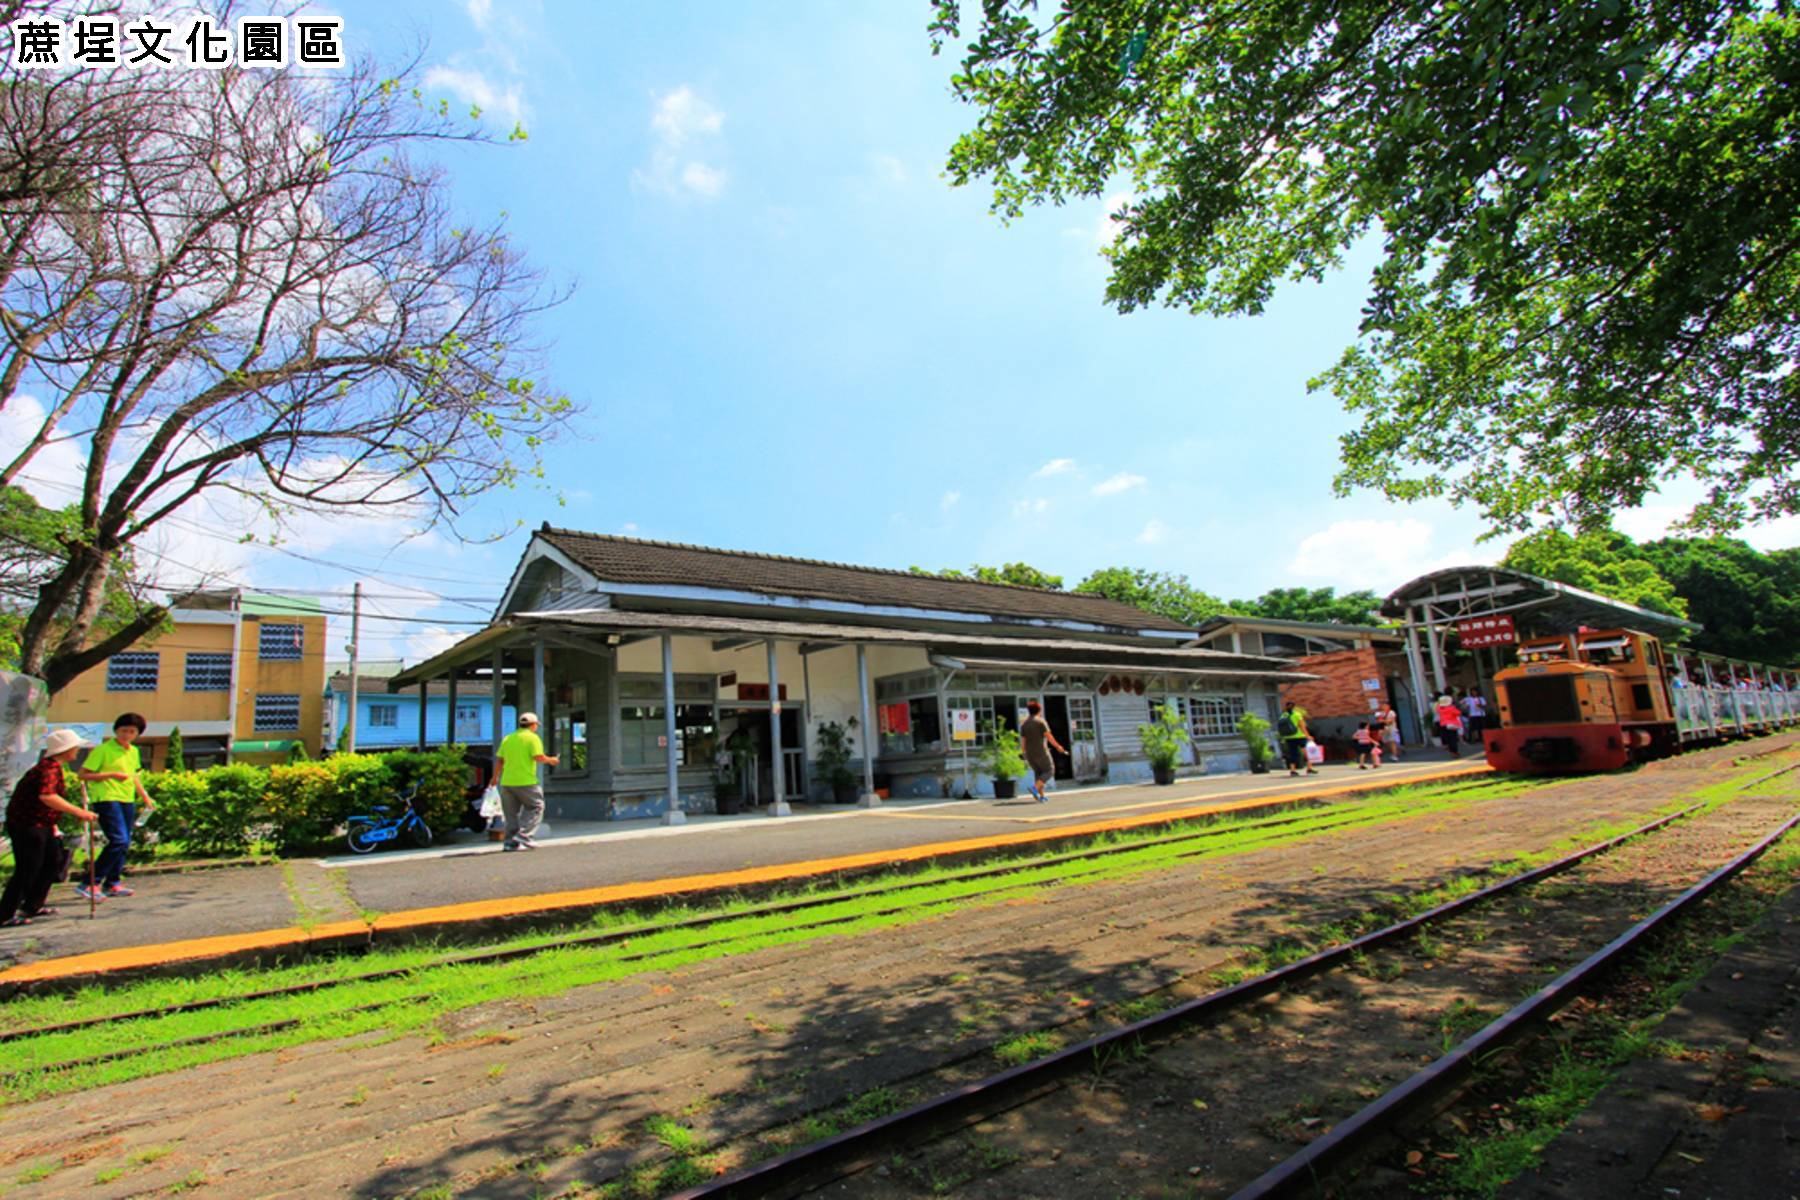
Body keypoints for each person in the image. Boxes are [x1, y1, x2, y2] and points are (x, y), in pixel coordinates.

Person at [2, 730, 98, 927]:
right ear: (66, 749)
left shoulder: (54, 767)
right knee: (28, 868)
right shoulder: (48, 769)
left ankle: (33, 905)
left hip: (42, 824)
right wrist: (80, 812)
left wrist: (53, 824)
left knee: (52, 862)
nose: (77, 751)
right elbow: (47, 797)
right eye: (75, 747)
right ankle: (5, 913)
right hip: (28, 825)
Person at [76, 712, 155, 900]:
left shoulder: (133, 751)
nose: (126, 735)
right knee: (118, 840)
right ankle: (90, 882)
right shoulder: (103, 750)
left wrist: (145, 796)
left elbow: (134, 776)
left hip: (127, 798)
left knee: (125, 842)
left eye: (131, 731)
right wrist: (110, 775)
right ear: (116, 730)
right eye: (123, 730)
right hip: (106, 797)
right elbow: (83, 775)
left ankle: (113, 882)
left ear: (137, 734)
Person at [496, 712, 558, 850]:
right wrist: (551, 760)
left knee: (511, 814)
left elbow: (500, 760)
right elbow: (538, 757)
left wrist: (494, 778)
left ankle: (509, 843)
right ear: (533, 725)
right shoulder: (532, 738)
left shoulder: (508, 738)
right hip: (526, 781)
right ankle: (524, 834)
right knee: (536, 806)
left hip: (507, 781)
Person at [1019, 699, 1066, 803]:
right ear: (1038, 711)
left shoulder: (1024, 724)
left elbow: (1023, 741)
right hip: (1041, 751)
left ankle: (1041, 796)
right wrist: (1058, 747)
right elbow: (1049, 737)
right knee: (1050, 770)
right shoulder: (1040, 721)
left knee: (1039, 773)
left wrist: (1024, 753)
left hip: (1030, 754)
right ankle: (1034, 788)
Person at [1277, 701, 1316, 777]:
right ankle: (1309, 768)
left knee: (1292, 754)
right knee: (1307, 753)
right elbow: (1302, 726)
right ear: (1294, 707)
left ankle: (1293, 770)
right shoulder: (1297, 714)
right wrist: (1308, 736)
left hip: (1289, 737)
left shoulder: (1283, 715)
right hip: (1300, 736)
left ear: (1286, 707)